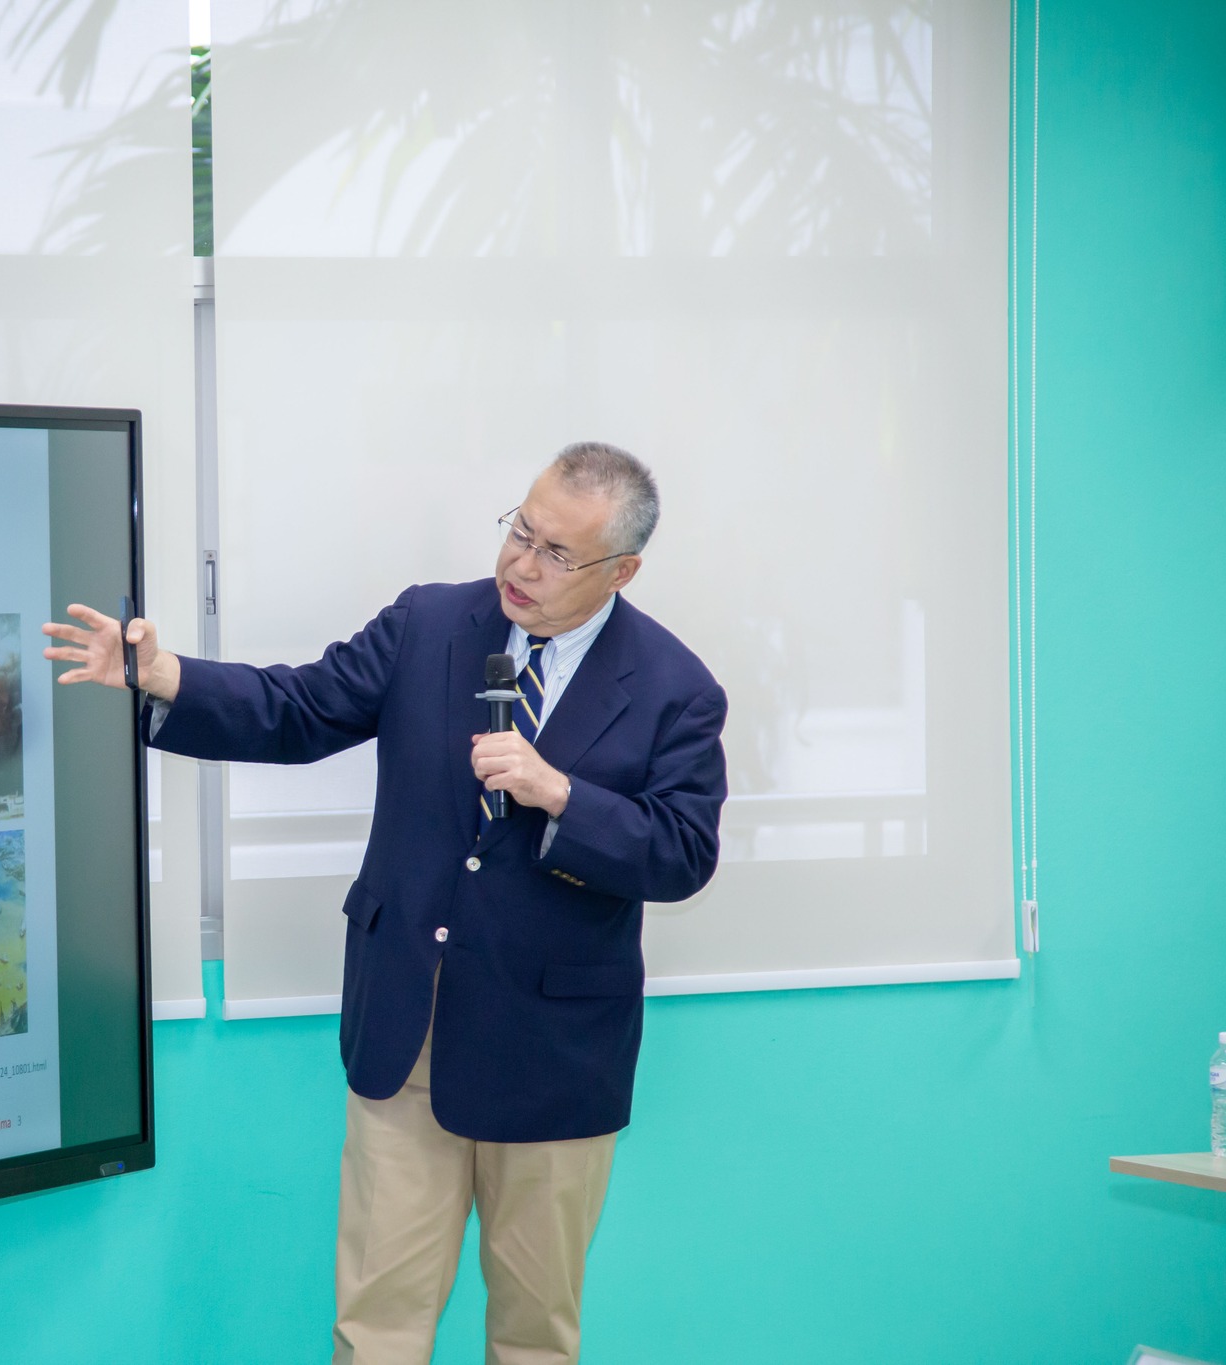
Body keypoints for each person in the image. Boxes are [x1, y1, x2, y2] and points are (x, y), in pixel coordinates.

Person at [42, 442, 727, 1365]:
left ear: (622, 570)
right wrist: (165, 675)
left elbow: (683, 851)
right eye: (521, 531)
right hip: (410, 1027)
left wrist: (561, 795)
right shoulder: (431, 622)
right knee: (376, 1329)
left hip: (555, 1056)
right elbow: (298, 707)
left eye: (557, 553)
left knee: (535, 1334)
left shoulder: (677, 688)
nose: (523, 564)